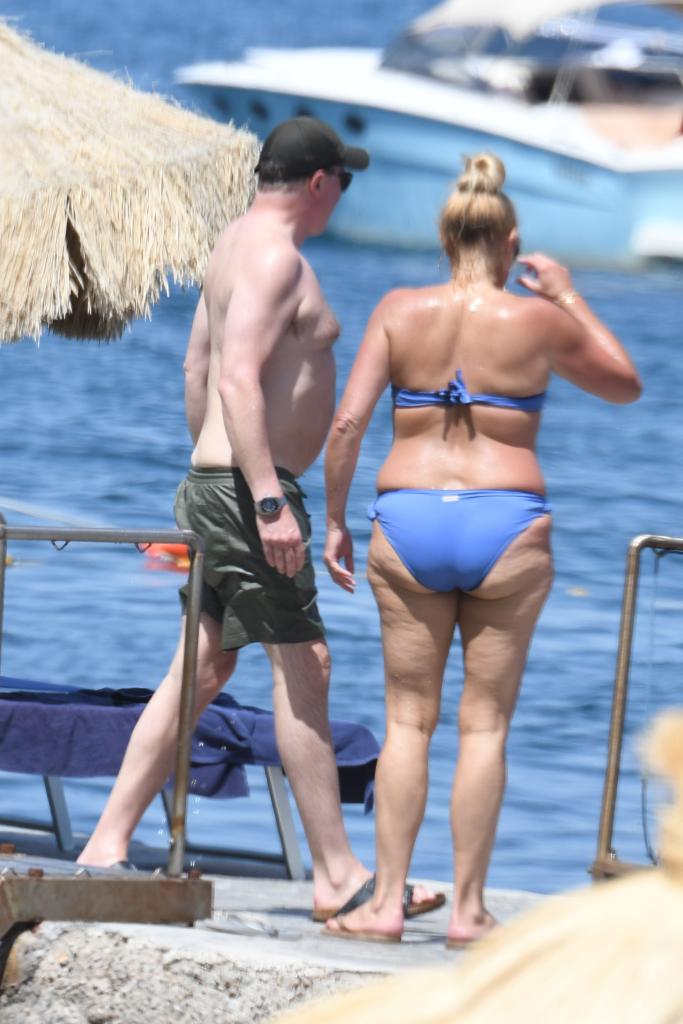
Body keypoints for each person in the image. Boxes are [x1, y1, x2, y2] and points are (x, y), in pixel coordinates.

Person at [77, 116, 441, 921]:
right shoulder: (277, 260)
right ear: (319, 183)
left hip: (224, 483)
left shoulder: (231, 245)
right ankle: (339, 876)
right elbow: (237, 378)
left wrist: (209, 473)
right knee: (303, 664)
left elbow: (195, 367)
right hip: (253, 493)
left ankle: (106, 842)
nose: (342, 196)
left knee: (201, 669)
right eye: (342, 182)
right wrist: (266, 496)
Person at [322, 152, 642, 945]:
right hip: (507, 521)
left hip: (407, 518)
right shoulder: (536, 319)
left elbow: (346, 424)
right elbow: (623, 381)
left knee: (406, 722)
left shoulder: (398, 308)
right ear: (510, 242)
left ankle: (388, 902)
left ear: (443, 233)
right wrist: (565, 292)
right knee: (486, 725)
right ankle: (466, 910)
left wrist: (332, 519)